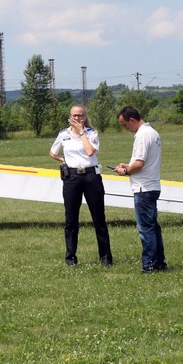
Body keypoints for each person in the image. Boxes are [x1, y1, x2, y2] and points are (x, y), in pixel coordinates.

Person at [49, 105, 113, 266]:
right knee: (71, 219)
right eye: (74, 115)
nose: (77, 118)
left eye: (81, 115)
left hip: (91, 176)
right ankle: (71, 257)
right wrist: (65, 160)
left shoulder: (92, 133)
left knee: (98, 217)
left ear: (85, 117)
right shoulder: (64, 134)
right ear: (70, 117)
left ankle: (105, 258)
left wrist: (81, 132)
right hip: (72, 178)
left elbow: (90, 151)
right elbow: (53, 152)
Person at [114, 106, 166, 273]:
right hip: (152, 186)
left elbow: (139, 163)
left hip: (143, 188)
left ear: (132, 120)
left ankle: (149, 265)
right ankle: (159, 262)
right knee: (153, 227)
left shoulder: (142, 135)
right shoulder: (153, 132)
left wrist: (126, 171)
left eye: (124, 125)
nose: (125, 129)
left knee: (146, 229)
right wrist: (128, 166)